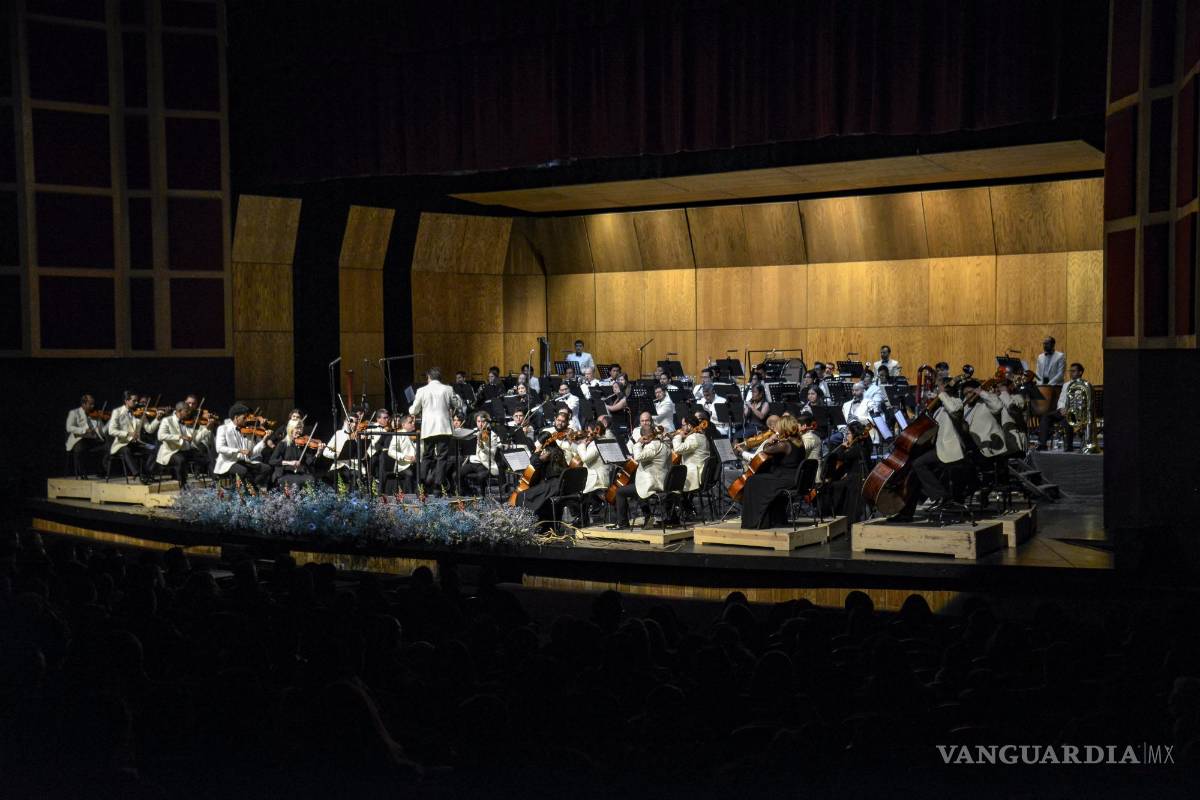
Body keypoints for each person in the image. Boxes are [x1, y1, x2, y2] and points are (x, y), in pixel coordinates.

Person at [892, 377, 967, 520]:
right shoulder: (940, 408)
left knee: (918, 464)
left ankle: (941, 495)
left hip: (950, 451)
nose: (936, 390)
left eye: (938, 387)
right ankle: (906, 513)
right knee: (914, 475)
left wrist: (942, 393)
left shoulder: (957, 403)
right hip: (938, 448)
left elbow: (953, 409)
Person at [739, 414, 809, 529]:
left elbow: (766, 449)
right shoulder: (799, 443)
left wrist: (770, 440)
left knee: (752, 481)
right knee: (761, 479)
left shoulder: (785, 445)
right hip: (794, 478)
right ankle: (774, 519)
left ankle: (756, 522)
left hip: (785, 479)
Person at [612, 413, 672, 529]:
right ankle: (647, 515)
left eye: (647, 420)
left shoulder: (652, 446)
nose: (644, 422)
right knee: (634, 484)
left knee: (620, 491)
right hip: (663, 480)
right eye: (642, 421)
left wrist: (639, 443)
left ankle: (623, 523)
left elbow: (638, 457)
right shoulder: (665, 445)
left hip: (653, 483)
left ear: (645, 438)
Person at [514, 409, 573, 524]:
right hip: (559, 483)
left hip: (554, 486)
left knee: (523, 496)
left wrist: (537, 451)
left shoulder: (547, 453)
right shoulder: (557, 450)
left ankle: (531, 523)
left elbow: (533, 462)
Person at [409, 367, 463, 492]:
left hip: (428, 428)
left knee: (427, 456)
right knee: (442, 457)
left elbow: (414, 410)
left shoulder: (421, 390)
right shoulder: (448, 389)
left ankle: (420, 484)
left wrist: (412, 409)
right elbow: (458, 404)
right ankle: (438, 487)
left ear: (429, 377)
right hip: (443, 428)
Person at [214, 403, 273, 487]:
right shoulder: (223, 429)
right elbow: (219, 448)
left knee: (266, 468)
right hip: (228, 463)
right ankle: (249, 489)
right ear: (236, 417)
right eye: (244, 418)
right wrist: (238, 450)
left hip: (244, 462)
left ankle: (252, 487)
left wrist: (264, 440)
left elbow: (252, 452)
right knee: (244, 471)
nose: (246, 420)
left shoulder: (246, 431)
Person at [107, 391, 154, 483]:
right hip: (122, 444)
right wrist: (128, 434)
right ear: (126, 401)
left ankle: (147, 473)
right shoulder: (117, 412)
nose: (137, 403)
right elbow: (111, 431)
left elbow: (149, 429)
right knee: (126, 450)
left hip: (135, 443)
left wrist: (158, 419)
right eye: (134, 401)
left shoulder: (140, 412)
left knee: (153, 449)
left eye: (137, 401)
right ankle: (137, 474)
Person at [155, 402, 205, 488]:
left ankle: (208, 482)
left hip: (183, 450)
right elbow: (160, 436)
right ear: (179, 411)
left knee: (201, 455)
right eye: (186, 411)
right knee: (180, 459)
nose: (189, 413)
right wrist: (179, 436)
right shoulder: (167, 420)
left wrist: (205, 430)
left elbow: (191, 440)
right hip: (170, 452)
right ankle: (183, 485)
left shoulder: (184, 422)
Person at [1038, 362, 1085, 451]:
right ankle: (1043, 444)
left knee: (1066, 421)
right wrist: (1061, 409)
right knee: (1045, 417)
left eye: (1074, 371)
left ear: (1080, 372)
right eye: (1070, 371)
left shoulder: (1084, 385)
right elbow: (1061, 399)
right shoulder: (1066, 385)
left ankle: (1068, 446)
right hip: (1062, 410)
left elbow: (1081, 403)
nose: (1071, 373)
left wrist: (1069, 410)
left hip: (1075, 413)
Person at [269, 412, 318, 488]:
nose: (299, 431)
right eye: (297, 428)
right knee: (295, 484)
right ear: (291, 429)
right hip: (286, 472)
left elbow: (309, 462)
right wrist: (289, 462)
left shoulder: (304, 443)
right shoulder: (283, 443)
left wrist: (318, 452)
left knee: (311, 479)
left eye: (301, 428)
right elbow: (272, 461)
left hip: (300, 472)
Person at [458, 412, 501, 496]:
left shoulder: (492, 435)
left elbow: (492, 453)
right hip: (471, 462)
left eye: (483, 421)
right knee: (456, 474)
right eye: (478, 421)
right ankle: (469, 492)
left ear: (487, 422)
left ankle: (482, 497)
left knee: (480, 476)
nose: (481, 424)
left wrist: (483, 447)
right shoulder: (472, 433)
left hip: (483, 463)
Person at [65, 394, 108, 477]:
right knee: (80, 447)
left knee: (107, 446)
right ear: (83, 404)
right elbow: (69, 427)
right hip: (79, 439)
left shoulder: (95, 416)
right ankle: (81, 472)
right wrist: (84, 430)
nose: (93, 406)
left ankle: (101, 470)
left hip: (92, 440)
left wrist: (108, 424)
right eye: (90, 404)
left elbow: (102, 431)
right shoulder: (74, 413)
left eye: (93, 404)